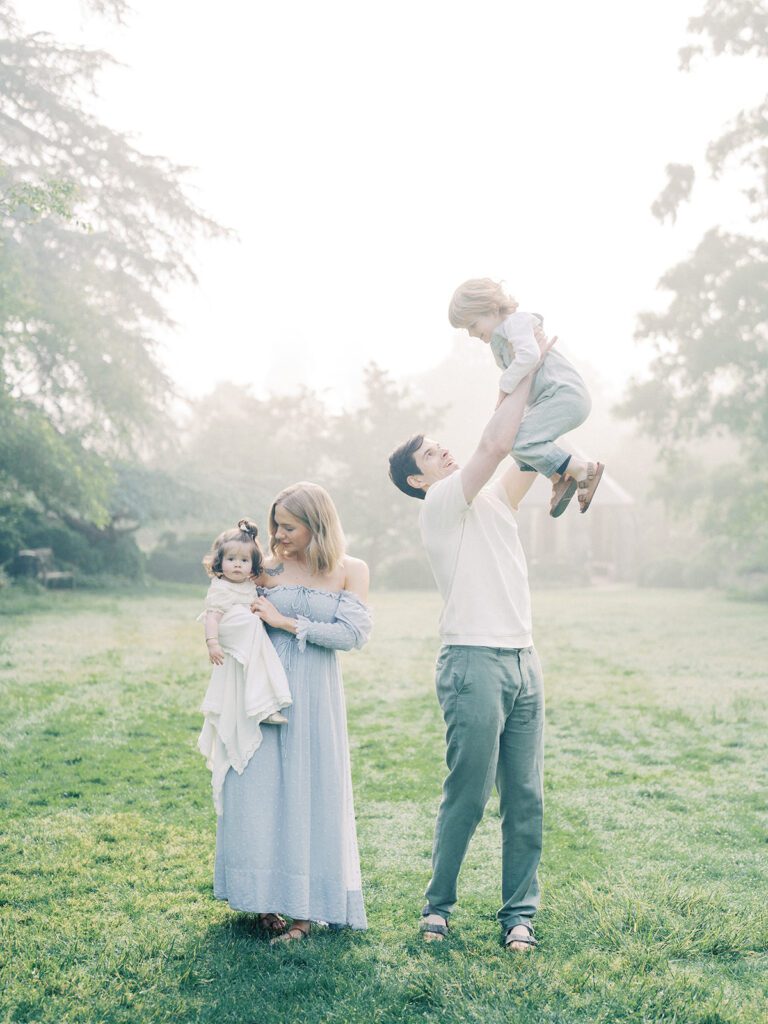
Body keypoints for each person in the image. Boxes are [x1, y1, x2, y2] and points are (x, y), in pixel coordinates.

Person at [387, 331, 551, 953]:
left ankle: (519, 916)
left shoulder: (492, 502)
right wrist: (525, 372)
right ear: (416, 479)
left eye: (437, 444)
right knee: (469, 793)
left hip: (523, 659)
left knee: (526, 797)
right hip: (473, 663)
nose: (442, 451)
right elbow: (496, 442)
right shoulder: (441, 506)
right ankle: (438, 908)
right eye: (429, 453)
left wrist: (538, 374)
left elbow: (525, 454)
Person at [213, 483, 371, 944]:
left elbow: (353, 635)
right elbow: (224, 605)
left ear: (316, 525)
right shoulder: (266, 570)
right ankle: (264, 899)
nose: (278, 534)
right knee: (257, 788)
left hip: (315, 692)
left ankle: (304, 912)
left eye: (288, 526)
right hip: (261, 689)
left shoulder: (350, 571)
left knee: (309, 790)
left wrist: (285, 622)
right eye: (275, 524)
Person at [449, 277, 603, 516]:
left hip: (564, 394)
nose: (470, 334)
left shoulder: (516, 323)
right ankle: (559, 476)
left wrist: (504, 386)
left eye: (471, 325)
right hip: (551, 398)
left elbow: (530, 356)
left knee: (520, 442)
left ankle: (582, 469)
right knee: (511, 440)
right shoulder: (499, 341)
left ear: (489, 308)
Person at [197, 519, 292, 815]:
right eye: (230, 560)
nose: (236, 566)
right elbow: (212, 616)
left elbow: (273, 578)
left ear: (252, 566)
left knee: (259, 648)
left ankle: (263, 701)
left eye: (243, 560)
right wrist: (212, 643)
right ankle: (263, 702)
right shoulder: (220, 587)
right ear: (219, 563)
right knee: (253, 625)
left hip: (246, 631)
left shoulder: (251, 585)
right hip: (228, 630)